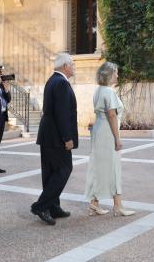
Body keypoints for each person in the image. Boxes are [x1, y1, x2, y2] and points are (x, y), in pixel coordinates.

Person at [31, 53, 78, 225]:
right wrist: (67, 138)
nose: (74, 67)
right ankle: (41, 206)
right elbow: (62, 114)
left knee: (51, 172)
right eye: (72, 64)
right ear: (65, 66)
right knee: (64, 169)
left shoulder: (53, 80)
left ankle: (53, 206)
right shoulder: (61, 83)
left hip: (48, 135)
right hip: (57, 136)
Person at [84, 62, 134, 217]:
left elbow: (101, 113)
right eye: (116, 73)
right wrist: (117, 139)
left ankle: (94, 203)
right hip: (107, 133)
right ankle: (118, 206)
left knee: (98, 167)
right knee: (113, 167)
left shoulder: (98, 90)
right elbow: (111, 115)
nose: (117, 75)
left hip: (99, 131)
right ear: (109, 74)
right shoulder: (109, 92)